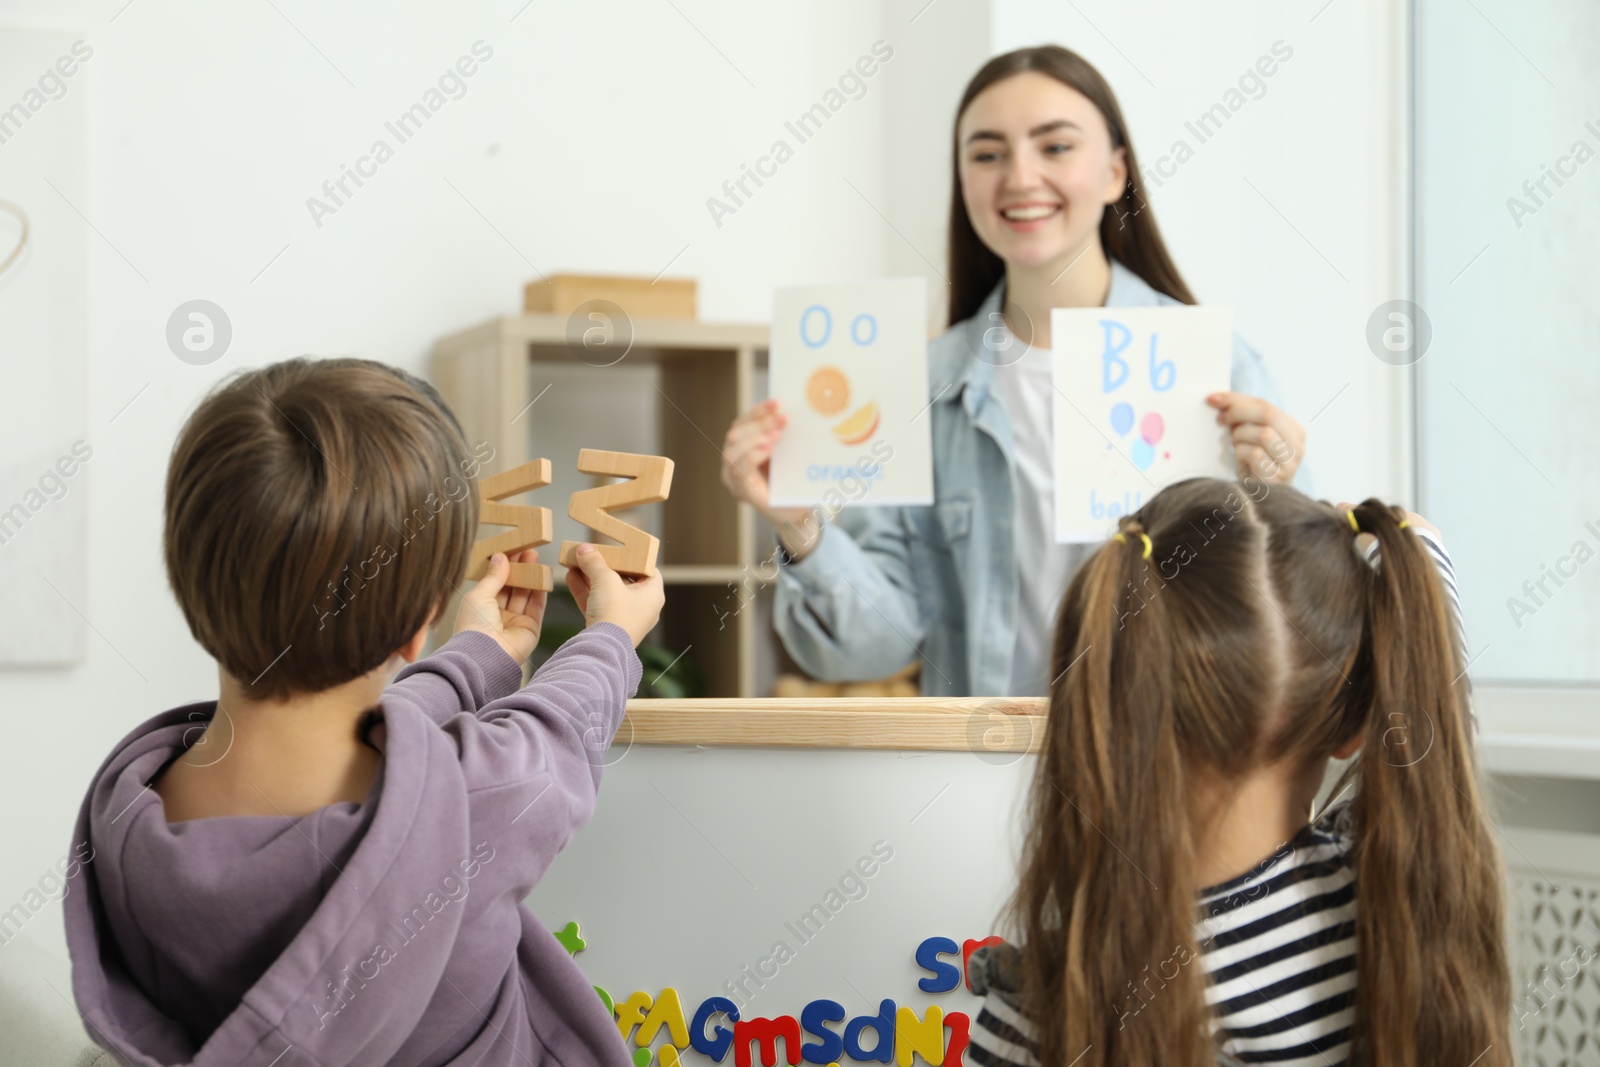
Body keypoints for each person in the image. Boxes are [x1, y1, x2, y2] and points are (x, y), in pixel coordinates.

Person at [64, 358, 663, 1067]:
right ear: (418, 628)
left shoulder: (129, 816)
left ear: (190, 577)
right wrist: (611, 637)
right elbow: (552, 735)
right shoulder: (475, 805)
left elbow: (359, 743)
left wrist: (475, 656)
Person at [721, 46, 1311, 696]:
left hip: (1170, 776)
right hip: (988, 783)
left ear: (1116, 172)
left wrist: (1276, 504)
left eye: (1055, 147)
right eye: (987, 153)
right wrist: (798, 523)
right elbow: (874, 647)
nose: (1020, 177)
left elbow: (1302, 624)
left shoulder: (1218, 364)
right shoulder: (918, 385)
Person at [964, 478, 1510, 1065]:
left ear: (1113, 718)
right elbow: (1438, 722)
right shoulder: (1393, 891)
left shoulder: (1056, 1006)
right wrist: (1415, 548)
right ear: (1353, 726)